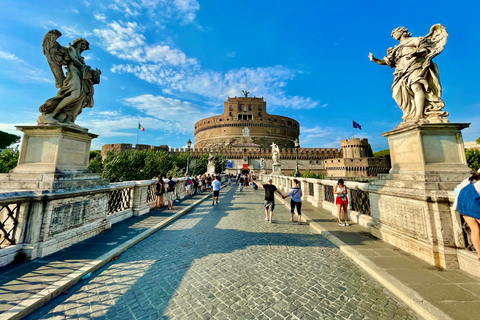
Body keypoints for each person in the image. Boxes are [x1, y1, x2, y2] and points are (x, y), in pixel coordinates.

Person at [368, 24, 449, 124]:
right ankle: (410, 114)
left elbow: (426, 50)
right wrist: (375, 59)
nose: (393, 35)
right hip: (401, 72)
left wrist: (417, 53)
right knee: (396, 93)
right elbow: (387, 61)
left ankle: (419, 115)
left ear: (401, 32)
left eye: (394, 33)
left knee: (416, 87)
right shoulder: (396, 49)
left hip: (416, 66)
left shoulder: (415, 40)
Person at [456, 173, 480, 260]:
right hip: (474, 205)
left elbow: (456, 190)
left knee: (474, 230)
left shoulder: (467, 181)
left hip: (462, 206)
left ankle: (479, 253)